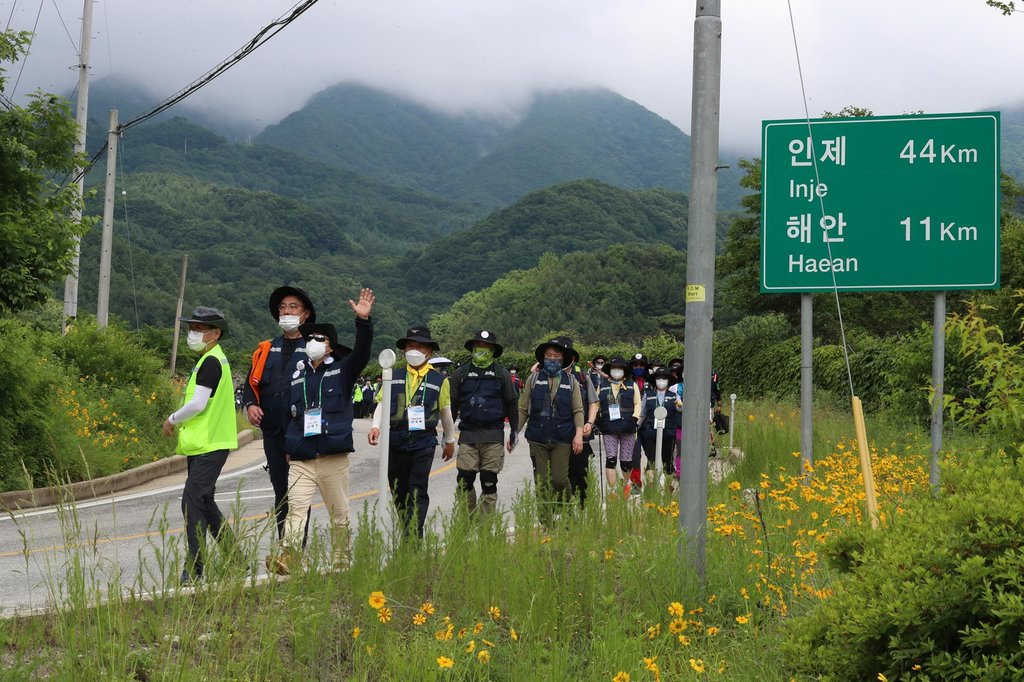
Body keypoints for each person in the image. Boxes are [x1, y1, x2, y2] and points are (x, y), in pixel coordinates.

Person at [268, 289, 374, 574]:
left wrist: (363, 321)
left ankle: (341, 560)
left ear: (329, 347)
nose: (313, 342)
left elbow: (362, 352)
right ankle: (288, 556)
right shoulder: (298, 374)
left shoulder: (343, 371)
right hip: (301, 457)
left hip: (332, 456)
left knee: (339, 514)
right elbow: (293, 415)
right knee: (296, 510)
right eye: (310, 338)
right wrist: (289, 447)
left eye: (320, 339)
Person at [162, 306, 239, 584]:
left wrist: (171, 419)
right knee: (203, 502)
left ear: (215, 333)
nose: (192, 333)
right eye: (191, 328)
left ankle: (194, 569)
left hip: (210, 444)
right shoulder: (210, 358)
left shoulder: (211, 362)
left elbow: (197, 404)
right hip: (205, 444)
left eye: (198, 329)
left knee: (191, 502)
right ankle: (235, 558)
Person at [242, 285, 316, 542]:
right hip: (272, 432)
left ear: (305, 314)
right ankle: (284, 544)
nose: (286, 311)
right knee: (280, 490)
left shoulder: (313, 349)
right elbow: (251, 386)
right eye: (283, 307)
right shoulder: (265, 349)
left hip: (301, 433)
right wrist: (251, 405)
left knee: (299, 492)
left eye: (293, 307)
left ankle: (296, 548)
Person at [368, 326, 456, 538]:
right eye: (410, 346)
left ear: (429, 352)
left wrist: (450, 439)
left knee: (417, 489)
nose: (413, 350)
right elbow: (381, 403)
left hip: (423, 440)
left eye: (419, 346)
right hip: (395, 438)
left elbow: (445, 411)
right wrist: (375, 426)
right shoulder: (392, 375)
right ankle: (407, 526)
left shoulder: (440, 380)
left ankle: (413, 538)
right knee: (398, 489)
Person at [447, 330, 519, 515]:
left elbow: (512, 403)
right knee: (464, 479)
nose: (482, 349)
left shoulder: (501, 374)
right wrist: (447, 435)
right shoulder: (460, 374)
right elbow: (452, 406)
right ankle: (467, 520)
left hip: (493, 434)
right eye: (479, 345)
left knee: (489, 481)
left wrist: (514, 431)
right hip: (468, 435)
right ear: (472, 347)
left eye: (487, 346)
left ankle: (484, 526)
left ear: (494, 350)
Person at [517, 336, 584, 526]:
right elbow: (523, 409)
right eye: (548, 355)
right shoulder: (533, 378)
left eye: (556, 356)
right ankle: (547, 522)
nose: (552, 359)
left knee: (560, 479)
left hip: (562, 438)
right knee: (542, 482)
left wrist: (578, 434)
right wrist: (515, 432)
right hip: (537, 438)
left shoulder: (572, 382)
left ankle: (568, 513)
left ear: (563, 359)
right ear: (542, 358)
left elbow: (578, 410)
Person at [596, 356, 642, 495]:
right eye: (614, 368)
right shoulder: (602, 385)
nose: (617, 371)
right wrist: (596, 420)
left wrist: (635, 418)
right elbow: (596, 404)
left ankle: (624, 484)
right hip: (608, 427)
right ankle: (612, 490)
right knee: (610, 459)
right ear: (609, 370)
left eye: (620, 369)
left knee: (626, 461)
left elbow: (638, 403)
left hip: (628, 426)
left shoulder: (631, 384)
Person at [567, 350, 600, 508]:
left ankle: (583, 507)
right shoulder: (547, 376)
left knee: (581, 471)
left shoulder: (582, 377)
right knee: (562, 473)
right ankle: (565, 507)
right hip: (560, 433)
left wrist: (590, 422)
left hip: (583, 431)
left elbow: (593, 403)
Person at [639, 366, 682, 480]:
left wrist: (680, 406)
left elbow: (680, 409)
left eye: (664, 378)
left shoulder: (674, 395)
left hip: (668, 432)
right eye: (659, 378)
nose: (661, 380)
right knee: (652, 461)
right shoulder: (647, 395)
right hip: (650, 433)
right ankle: (652, 492)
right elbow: (642, 414)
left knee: (667, 462)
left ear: (668, 380)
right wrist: (636, 426)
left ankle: (668, 492)